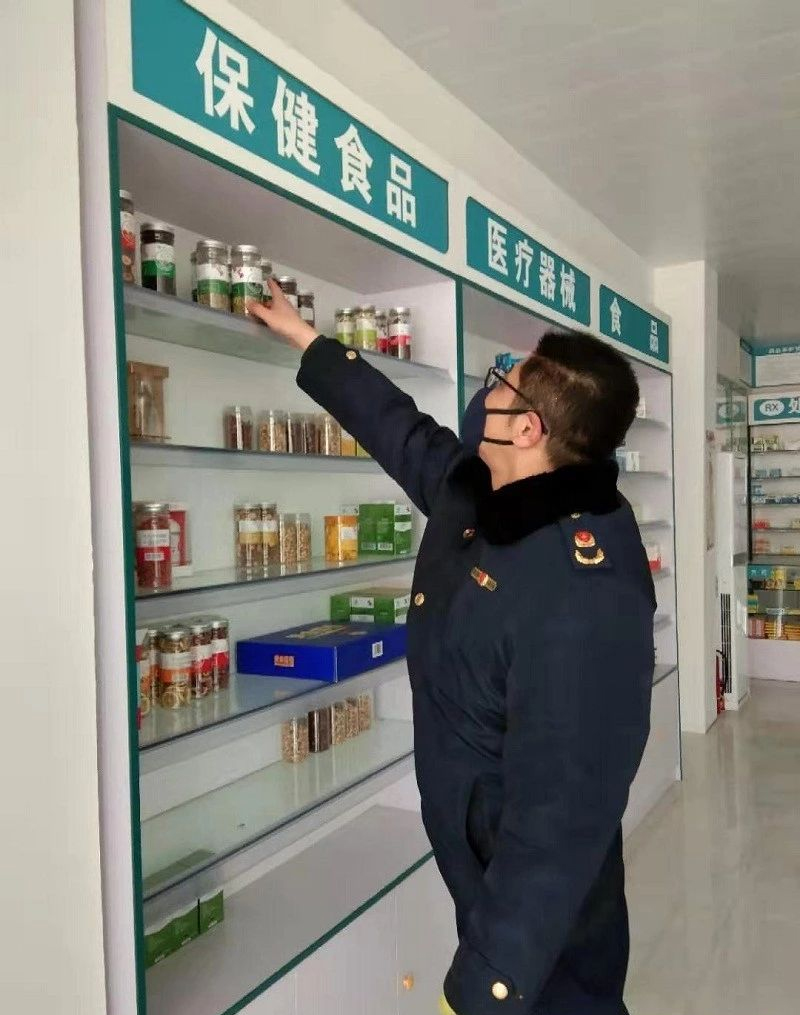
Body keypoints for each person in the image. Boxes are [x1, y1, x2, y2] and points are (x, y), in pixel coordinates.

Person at [248, 281, 655, 1015]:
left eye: (502, 381)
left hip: (538, 913)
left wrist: (482, 990)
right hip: (481, 857)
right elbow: (407, 436)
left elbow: (559, 825)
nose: (485, 392)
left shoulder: (587, 588)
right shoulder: (488, 490)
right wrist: (309, 341)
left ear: (527, 429)